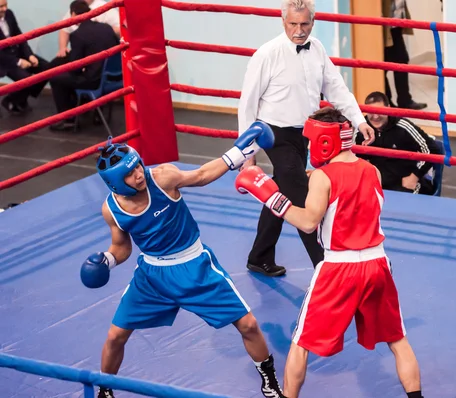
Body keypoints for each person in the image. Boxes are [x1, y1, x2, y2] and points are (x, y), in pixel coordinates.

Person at [80, 122, 285, 398]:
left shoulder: (162, 177)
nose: (139, 174)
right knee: (116, 336)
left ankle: (269, 381)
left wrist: (238, 153)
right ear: (115, 182)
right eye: (130, 174)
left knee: (248, 324)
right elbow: (121, 247)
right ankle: (105, 390)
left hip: (194, 266)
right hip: (152, 275)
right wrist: (107, 260)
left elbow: (201, 175)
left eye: (138, 166)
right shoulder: (111, 209)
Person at [235, 107, 424, 398]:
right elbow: (349, 192)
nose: (309, 147)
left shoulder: (323, 178)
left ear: (325, 141)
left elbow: (309, 223)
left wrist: (272, 197)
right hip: (377, 264)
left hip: (339, 268)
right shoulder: (371, 170)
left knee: (300, 343)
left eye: (312, 140)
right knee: (398, 340)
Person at [237, 0, 375, 277]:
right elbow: (247, 104)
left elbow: (336, 87)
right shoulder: (267, 54)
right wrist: (246, 153)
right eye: (293, 24)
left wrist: (359, 120)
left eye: (304, 24)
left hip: (306, 134)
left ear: (313, 23)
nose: (299, 31)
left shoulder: (318, 50)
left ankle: (259, 255)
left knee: (284, 189)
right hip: (274, 133)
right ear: (283, 22)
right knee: (302, 199)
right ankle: (325, 265)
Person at [48, 0, 119, 131]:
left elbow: (75, 68)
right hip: (113, 78)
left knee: (56, 78)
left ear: (73, 14)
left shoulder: (78, 35)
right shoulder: (107, 28)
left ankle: (68, 119)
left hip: (94, 80)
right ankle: (82, 109)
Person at [357, 91, 441, 194]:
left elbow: (433, 150)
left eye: (379, 111)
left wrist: (414, 177)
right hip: (377, 185)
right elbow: (355, 157)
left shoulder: (403, 127)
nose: (375, 116)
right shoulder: (362, 129)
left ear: (388, 108)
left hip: (404, 184)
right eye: (371, 112)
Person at [0, 0, 49, 114]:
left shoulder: (9, 14)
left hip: (17, 53)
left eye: (5, 5)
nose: (5, 9)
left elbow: (20, 36)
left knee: (47, 69)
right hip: (4, 60)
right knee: (26, 80)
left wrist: (29, 55)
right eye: (1, 6)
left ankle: (20, 97)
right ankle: (12, 100)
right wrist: (18, 62)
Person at [382, 0, 426, 110]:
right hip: (384, 25)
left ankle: (404, 100)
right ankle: (387, 102)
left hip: (396, 23)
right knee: (382, 66)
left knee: (402, 61)